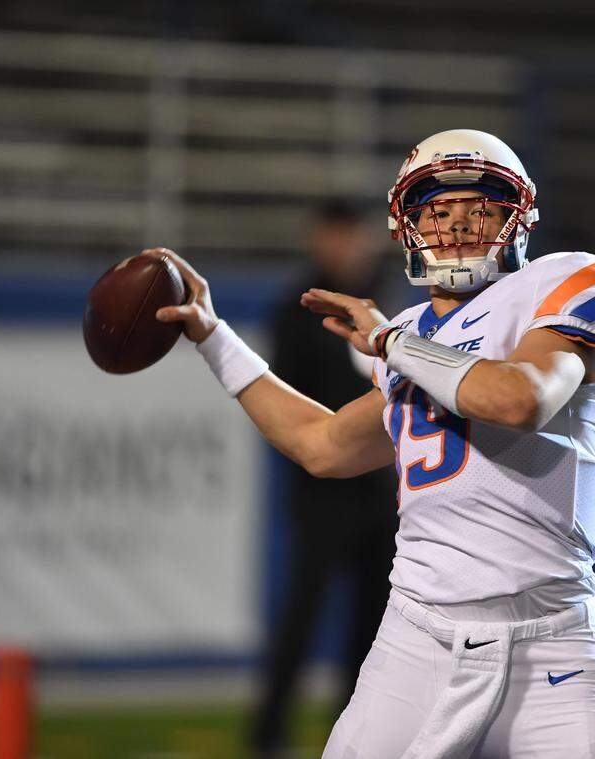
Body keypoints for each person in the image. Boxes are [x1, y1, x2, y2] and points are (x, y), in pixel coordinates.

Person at [149, 129, 595, 757]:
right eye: (437, 207)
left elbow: (521, 399)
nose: (458, 220)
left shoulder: (571, 280)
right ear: (408, 224)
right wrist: (214, 338)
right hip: (416, 636)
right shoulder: (411, 332)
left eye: (480, 204)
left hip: (548, 636)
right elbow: (322, 443)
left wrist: (390, 345)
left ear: (516, 216)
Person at [252, 201, 399, 756]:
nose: (347, 247)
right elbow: (283, 404)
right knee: (301, 617)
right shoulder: (297, 310)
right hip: (322, 491)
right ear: (320, 240)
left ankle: (357, 732)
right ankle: (269, 733)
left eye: (354, 236)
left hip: (377, 492)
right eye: (336, 236)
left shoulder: (387, 301)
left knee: (373, 625)